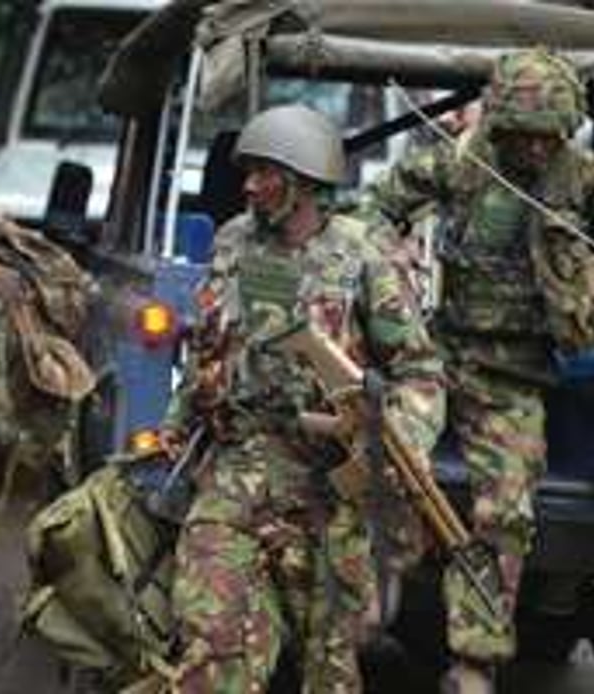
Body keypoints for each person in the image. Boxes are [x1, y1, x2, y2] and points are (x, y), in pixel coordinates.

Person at [361, 48, 594, 692]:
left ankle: (474, 660)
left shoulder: (585, 176)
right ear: (502, 125)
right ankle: (377, 588)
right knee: (386, 462)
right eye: (521, 136)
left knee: (506, 510)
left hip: (515, 373)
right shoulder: (460, 161)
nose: (533, 150)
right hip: (437, 354)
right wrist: (386, 264)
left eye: (546, 138)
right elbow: (377, 207)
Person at [160, 103, 444, 693]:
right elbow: (211, 343)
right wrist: (181, 417)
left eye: (266, 173)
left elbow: (419, 371)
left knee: (329, 669)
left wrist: (394, 443)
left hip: (328, 489)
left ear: (306, 181)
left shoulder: (364, 256)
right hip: (238, 473)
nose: (250, 186)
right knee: (210, 651)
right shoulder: (234, 240)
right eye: (250, 172)